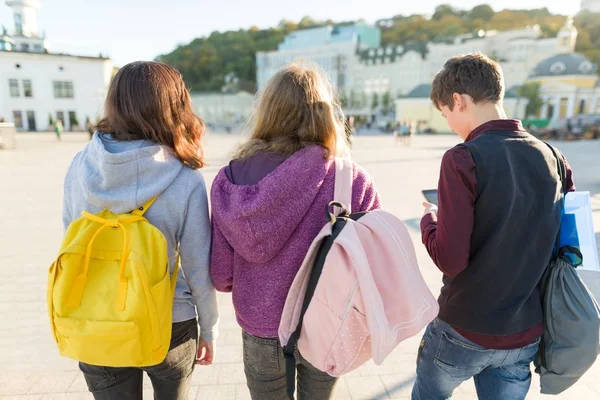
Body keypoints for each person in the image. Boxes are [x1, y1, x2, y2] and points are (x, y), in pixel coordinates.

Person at [210, 63, 381, 400]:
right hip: (329, 323)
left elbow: (221, 276)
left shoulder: (230, 178)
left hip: (260, 325)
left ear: (267, 111)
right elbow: (373, 264)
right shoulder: (352, 179)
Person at [412, 53, 575, 400]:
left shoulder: (462, 157)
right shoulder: (554, 157)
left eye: (446, 114)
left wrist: (429, 220)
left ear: (458, 100)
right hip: (526, 331)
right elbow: (566, 243)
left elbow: (450, 259)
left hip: (464, 329)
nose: (450, 124)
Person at [62, 61, 219, 400]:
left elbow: (69, 239)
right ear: (175, 106)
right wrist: (209, 328)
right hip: (169, 322)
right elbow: (197, 267)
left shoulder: (79, 166)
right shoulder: (185, 177)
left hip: (97, 318)